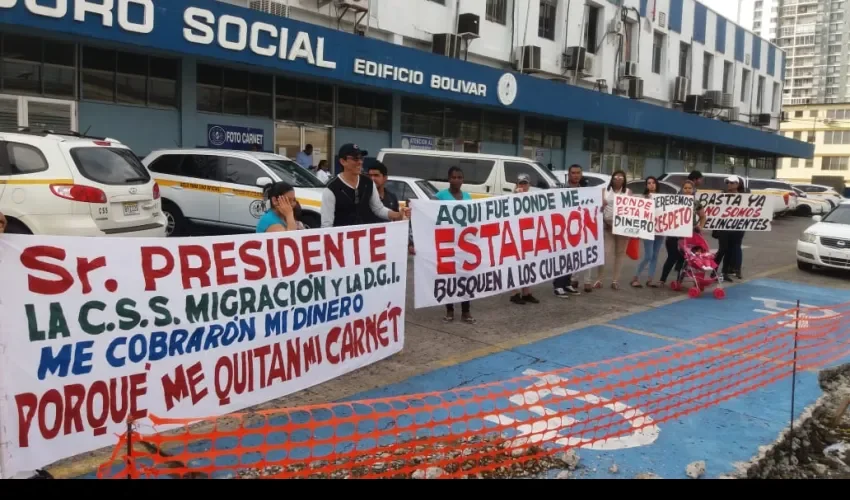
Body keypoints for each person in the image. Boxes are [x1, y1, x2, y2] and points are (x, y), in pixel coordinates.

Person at [320, 144, 408, 228]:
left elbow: (378, 209)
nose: (360, 162)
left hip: (365, 239)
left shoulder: (368, 182)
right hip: (343, 240)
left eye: (361, 158)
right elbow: (327, 225)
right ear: (343, 161)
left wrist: (398, 215)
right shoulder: (331, 188)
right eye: (355, 159)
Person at [436, 166, 476, 324]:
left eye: (459, 177)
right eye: (453, 177)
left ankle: (466, 312)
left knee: (465, 278)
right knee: (449, 278)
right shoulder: (439, 196)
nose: (456, 180)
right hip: (448, 243)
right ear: (448, 179)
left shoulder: (467, 196)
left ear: (463, 180)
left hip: (465, 244)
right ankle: (450, 310)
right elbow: (430, 214)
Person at [659, 180, 707, 287]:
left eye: (690, 188)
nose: (687, 190)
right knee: (672, 257)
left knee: (683, 258)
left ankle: (678, 282)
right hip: (673, 233)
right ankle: (662, 280)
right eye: (685, 188)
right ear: (682, 189)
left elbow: (703, 216)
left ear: (693, 190)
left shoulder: (696, 202)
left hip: (688, 235)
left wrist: (700, 226)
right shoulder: (674, 200)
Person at [589, 170, 631, 290]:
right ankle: (599, 279)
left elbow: (634, 210)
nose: (618, 180)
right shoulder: (604, 191)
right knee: (604, 253)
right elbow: (598, 209)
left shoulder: (628, 192)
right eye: (616, 177)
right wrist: (603, 219)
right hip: (607, 227)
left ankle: (615, 280)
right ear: (612, 179)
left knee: (619, 254)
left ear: (624, 180)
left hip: (622, 229)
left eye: (621, 178)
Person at [554, 164, 586, 297]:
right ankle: (558, 285)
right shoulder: (561, 189)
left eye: (578, 173)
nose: (576, 175)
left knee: (572, 258)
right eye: (573, 173)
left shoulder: (584, 191)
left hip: (577, 229)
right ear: (569, 174)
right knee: (562, 257)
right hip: (563, 229)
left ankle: (567, 283)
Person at [510, 174, 540, 305]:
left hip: (528, 235)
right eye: (520, 183)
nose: (522, 186)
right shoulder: (511, 197)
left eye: (525, 183)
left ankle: (526, 292)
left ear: (529, 185)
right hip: (515, 235)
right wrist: (515, 195)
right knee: (514, 264)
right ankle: (514, 293)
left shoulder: (533, 198)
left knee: (528, 264)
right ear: (516, 185)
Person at [632, 176, 666, 288]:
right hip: (648, 230)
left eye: (653, 183)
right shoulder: (643, 198)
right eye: (649, 183)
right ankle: (635, 277)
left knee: (655, 256)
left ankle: (650, 279)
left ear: (656, 184)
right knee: (648, 255)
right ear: (646, 185)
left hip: (660, 230)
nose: (651, 185)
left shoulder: (663, 198)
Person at [714, 176, 745, 281]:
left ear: (737, 184)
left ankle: (725, 272)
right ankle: (714, 271)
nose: (729, 185)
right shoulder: (721, 196)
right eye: (728, 183)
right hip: (723, 228)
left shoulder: (743, 198)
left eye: (732, 183)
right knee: (722, 250)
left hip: (736, 230)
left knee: (730, 251)